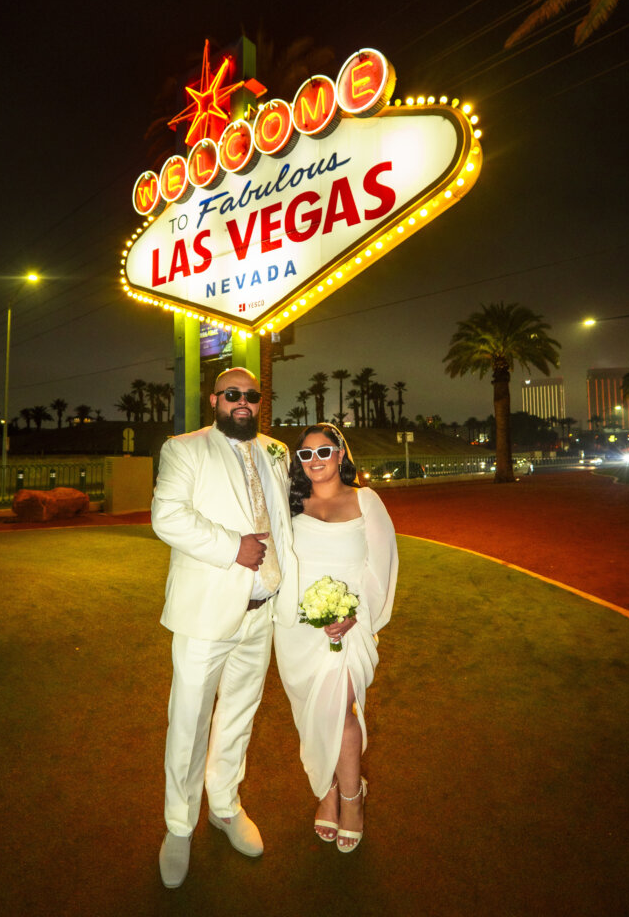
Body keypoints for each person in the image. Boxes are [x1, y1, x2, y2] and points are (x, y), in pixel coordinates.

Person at [151, 367, 298, 889]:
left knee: (238, 714)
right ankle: (178, 825)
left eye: (251, 396)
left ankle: (225, 805)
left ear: (260, 402)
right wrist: (232, 546)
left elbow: (285, 521)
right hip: (205, 616)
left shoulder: (274, 452)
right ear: (214, 400)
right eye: (232, 394)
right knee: (188, 723)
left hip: (262, 614)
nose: (242, 403)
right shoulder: (184, 449)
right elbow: (166, 516)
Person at [274, 423, 398, 853]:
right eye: (305, 455)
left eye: (323, 451)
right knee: (311, 716)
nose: (316, 461)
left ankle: (351, 799)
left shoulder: (367, 501)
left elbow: (380, 567)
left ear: (341, 453)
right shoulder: (290, 505)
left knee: (341, 713)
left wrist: (352, 614)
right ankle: (326, 789)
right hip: (296, 630)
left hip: (349, 628)